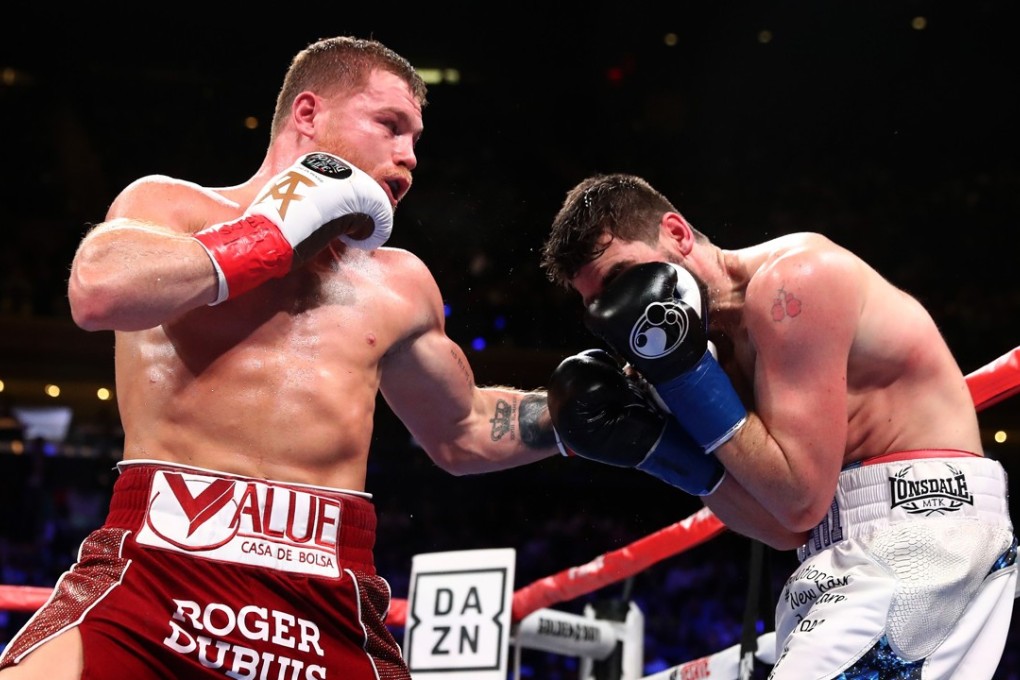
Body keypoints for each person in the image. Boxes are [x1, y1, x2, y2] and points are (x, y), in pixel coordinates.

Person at [0, 36, 562, 680]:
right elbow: (99, 292)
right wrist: (268, 237)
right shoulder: (174, 207)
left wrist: (579, 412)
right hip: (156, 569)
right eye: (389, 125)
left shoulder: (400, 282)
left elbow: (462, 429)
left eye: (415, 138)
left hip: (324, 595)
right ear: (307, 114)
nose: (408, 155)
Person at [540, 173, 1017, 679]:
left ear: (677, 234)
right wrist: (657, 446)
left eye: (621, 279)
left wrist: (684, 379)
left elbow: (799, 500)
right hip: (836, 556)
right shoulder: (701, 358)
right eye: (600, 306)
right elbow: (784, 529)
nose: (622, 311)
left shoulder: (795, 282)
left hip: (925, 532)